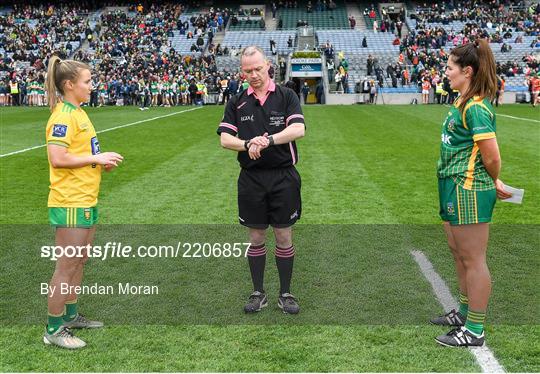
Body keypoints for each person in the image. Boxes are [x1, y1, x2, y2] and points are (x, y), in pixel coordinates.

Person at [432, 39, 512, 347]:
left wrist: (495, 180)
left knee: (474, 259)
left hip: (469, 188)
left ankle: (475, 330)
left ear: (467, 71)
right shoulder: (462, 102)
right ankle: (464, 314)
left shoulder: (477, 107)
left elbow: (492, 156)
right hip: (452, 185)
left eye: (450, 67)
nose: (446, 72)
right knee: (459, 253)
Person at [217, 46, 305, 315]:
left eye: (257, 68)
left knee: (283, 235)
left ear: (268, 65)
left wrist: (267, 140)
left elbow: (298, 129)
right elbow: (224, 139)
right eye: (247, 71)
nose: (253, 74)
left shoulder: (287, 95)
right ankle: (258, 293)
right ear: (241, 71)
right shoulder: (236, 102)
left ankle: (285, 293)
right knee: (256, 238)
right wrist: (247, 144)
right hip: (251, 179)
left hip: (283, 177)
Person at [43, 55, 124, 349]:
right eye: (88, 81)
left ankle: (71, 316)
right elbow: (57, 158)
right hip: (70, 202)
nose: (92, 86)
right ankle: (53, 328)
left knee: (79, 261)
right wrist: (95, 158)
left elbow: (78, 154)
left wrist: (98, 163)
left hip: (85, 199)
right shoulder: (63, 115)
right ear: (69, 85)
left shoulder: (78, 112)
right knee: (65, 266)